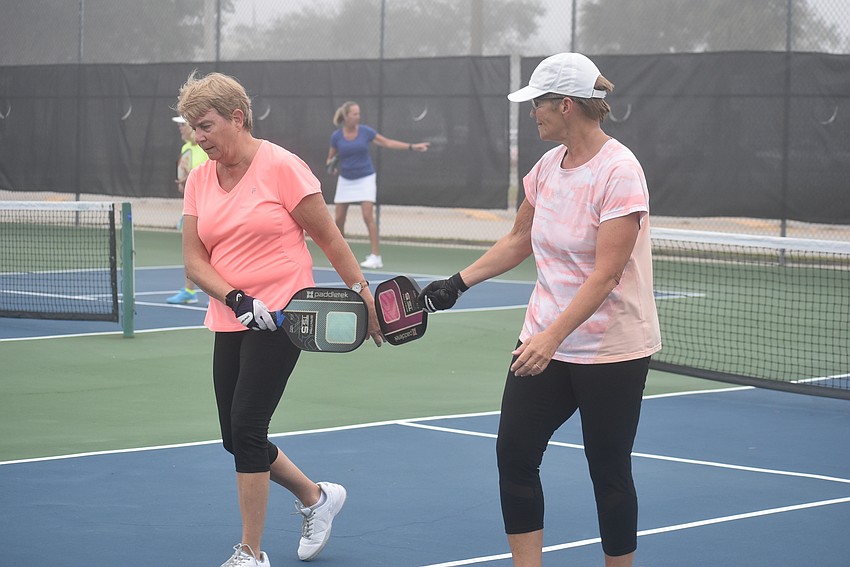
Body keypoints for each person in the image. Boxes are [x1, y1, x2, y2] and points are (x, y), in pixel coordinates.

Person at [418, 53, 661, 567]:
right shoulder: (548, 167)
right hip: (542, 339)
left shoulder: (620, 171)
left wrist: (552, 338)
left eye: (538, 105)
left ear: (566, 105)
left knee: (609, 471)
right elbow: (518, 239)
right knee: (514, 456)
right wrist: (456, 284)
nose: (532, 114)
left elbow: (606, 274)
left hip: (610, 350)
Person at [176, 71, 384, 567]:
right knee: (234, 438)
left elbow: (329, 237)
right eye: (193, 128)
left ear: (237, 118)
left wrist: (363, 293)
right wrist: (236, 298)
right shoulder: (201, 179)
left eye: (206, 126)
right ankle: (317, 497)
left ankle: (250, 552)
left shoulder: (283, 167)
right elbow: (194, 260)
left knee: (248, 426)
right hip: (234, 315)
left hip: (286, 314)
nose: (198, 138)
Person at [326, 100, 429, 269]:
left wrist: (412, 147)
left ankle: (375, 257)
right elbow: (330, 158)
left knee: (368, 216)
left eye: (359, 113)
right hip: (345, 180)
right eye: (354, 114)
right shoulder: (336, 136)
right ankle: (341, 256)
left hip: (365, 178)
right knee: (339, 219)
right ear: (346, 116)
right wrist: (331, 166)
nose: (358, 117)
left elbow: (387, 142)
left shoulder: (365, 132)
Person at [166, 115, 209, 305]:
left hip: (208, 207)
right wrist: (183, 183)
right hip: (192, 208)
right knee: (189, 251)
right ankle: (189, 291)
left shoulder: (206, 148)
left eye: (183, 125)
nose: (180, 129)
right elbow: (186, 184)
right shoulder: (186, 149)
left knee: (213, 252)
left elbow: (211, 174)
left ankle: (217, 295)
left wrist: (191, 177)